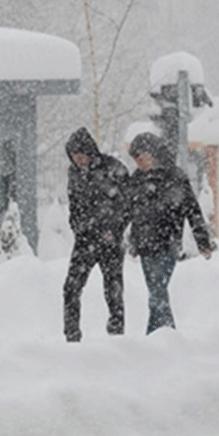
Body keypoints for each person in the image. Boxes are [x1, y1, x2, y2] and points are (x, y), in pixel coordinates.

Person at [126, 132, 213, 334]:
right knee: (156, 292)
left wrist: (203, 242)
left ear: (154, 153)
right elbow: (133, 214)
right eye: (136, 160)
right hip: (145, 246)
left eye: (143, 158)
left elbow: (192, 210)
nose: (140, 164)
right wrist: (134, 242)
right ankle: (161, 336)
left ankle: (163, 335)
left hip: (168, 242)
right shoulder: (136, 180)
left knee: (157, 291)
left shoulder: (175, 177)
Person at [62, 127, 130, 342]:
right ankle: (71, 335)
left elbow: (127, 205)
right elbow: (73, 203)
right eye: (74, 155)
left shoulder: (114, 169)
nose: (78, 159)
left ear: (90, 152)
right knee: (71, 287)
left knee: (113, 288)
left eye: (81, 155)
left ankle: (116, 334)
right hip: (85, 239)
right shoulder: (74, 172)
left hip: (109, 239)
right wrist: (76, 225)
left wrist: (115, 231)